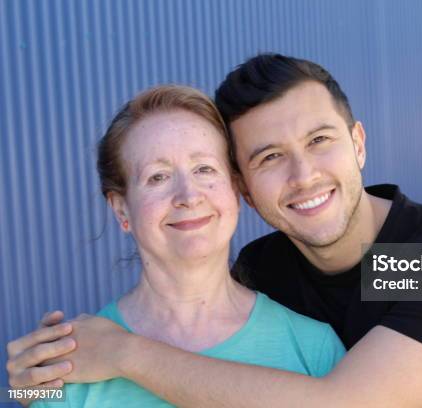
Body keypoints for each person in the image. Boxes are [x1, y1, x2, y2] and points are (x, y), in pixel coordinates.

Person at [7, 54, 422, 407]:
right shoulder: (265, 267)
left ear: (359, 144)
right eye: (270, 156)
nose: (304, 176)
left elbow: (340, 404)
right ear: (246, 189)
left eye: (320, 140)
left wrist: (123, 354)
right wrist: (37, 385)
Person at [7, 84, 345, 407]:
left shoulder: (314, 348)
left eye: (204, 169)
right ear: (121, 209)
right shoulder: (70, 362)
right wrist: (28, 395)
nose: (188, 196)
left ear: (234, 189)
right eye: (157, 177)